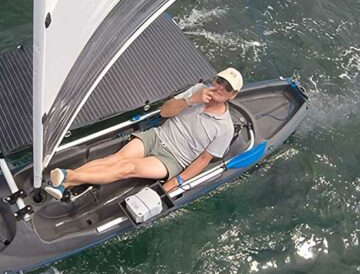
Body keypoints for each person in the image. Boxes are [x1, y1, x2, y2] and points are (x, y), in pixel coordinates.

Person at [44, 67, 243, 199]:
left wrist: (176, 182)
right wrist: (191, 100)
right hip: (156, 136)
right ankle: (65, 181)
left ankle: (67, 176)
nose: (219, 88)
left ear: (232, 95)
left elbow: (203, 160)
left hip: (173, 159)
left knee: (127, 167)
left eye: (227, 88)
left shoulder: (224, 128)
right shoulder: (198, 90)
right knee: (115, 159)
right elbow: (166, 111)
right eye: (219, 81)